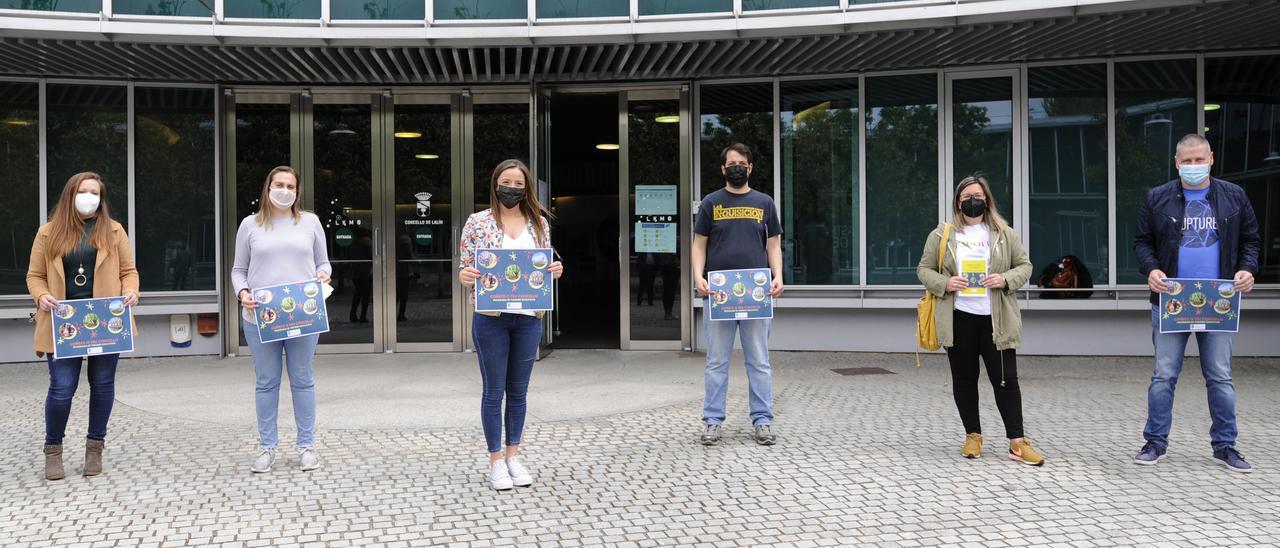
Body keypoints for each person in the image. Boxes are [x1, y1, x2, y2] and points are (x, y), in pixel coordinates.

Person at [1133, 133, 1260, 473]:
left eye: (1198, 160)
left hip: (1220, 302)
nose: (1192, 166)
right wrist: (1152, 269)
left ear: (1211, 158)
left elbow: (1251, 240)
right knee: (1163, 375)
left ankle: (1226, 446)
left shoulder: (1234, 197)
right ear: (1176, 162)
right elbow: (1142, 242)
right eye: (1186, 161)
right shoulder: (1157, 198)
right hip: (1171, 300)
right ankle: (1155, 441)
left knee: (1220, 376)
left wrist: (1247, 270)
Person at [916, 174, 1045, 466]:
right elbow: (923, 269)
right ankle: (972, 436)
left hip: (996, 318)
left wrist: (1005, 278)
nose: (973, 202)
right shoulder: (942, 235)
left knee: (1006, 379)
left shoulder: (1003, 232)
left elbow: (1025, 266)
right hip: (959, 317)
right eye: (967, 198)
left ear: (987, 200)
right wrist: (945, 284)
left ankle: (1017, 441)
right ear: (958, 202)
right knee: (964, 380)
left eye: (978, 196)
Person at [458, 159, 563, 490]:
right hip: (491, 319)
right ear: (495, 184)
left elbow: (547, 264)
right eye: (507, 182)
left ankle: (514, 455)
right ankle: (495, 461)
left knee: (518, 390)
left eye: (519, 184)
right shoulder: (477, 222)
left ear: (527, 188)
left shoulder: (539, 224)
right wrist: (465, 276)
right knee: (494, 391)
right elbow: (464, 268)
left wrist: (555, 270)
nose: (512, 189)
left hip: (528, 317)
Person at [27, 172, 139, 480]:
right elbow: (34, 276)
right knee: (62, 389)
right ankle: (53, 449)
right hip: (63, 324)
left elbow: (129, 271)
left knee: (102, 386)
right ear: (70, 194)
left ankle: (94, 448)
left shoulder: (114, 231)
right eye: (83, 191)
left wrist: (131, 290)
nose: (89, 197)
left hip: (105, 322)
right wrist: (43, 295)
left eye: (95, 193)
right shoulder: (48, 233)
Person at [231, 166, 332, 474]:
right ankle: (267, 447)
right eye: (279, 184)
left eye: (290, 186)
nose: (284, 190)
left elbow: (323, 262)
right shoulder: (250, 225)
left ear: (297, 192)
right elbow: (238, 270)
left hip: (303, 314)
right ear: (268, 186)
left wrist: (324, 273)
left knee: (302, 379)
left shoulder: (310, 222)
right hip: (261, 316)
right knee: (266, 382)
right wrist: (242, 292)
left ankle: (306, 446)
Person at [692, 143, 784, 446]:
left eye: (742, 162)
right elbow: (699, 244)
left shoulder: (765, 202)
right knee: (716, 361)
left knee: (759, 360)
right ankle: (713, 421)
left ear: (750, 167)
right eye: (731, 162)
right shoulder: (710, 202)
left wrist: (778, 276)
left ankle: (762, 420)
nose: (736, 167)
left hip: (757, 295)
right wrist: (698, 277)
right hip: (718, 295)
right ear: (722, 169)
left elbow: (773, 245)